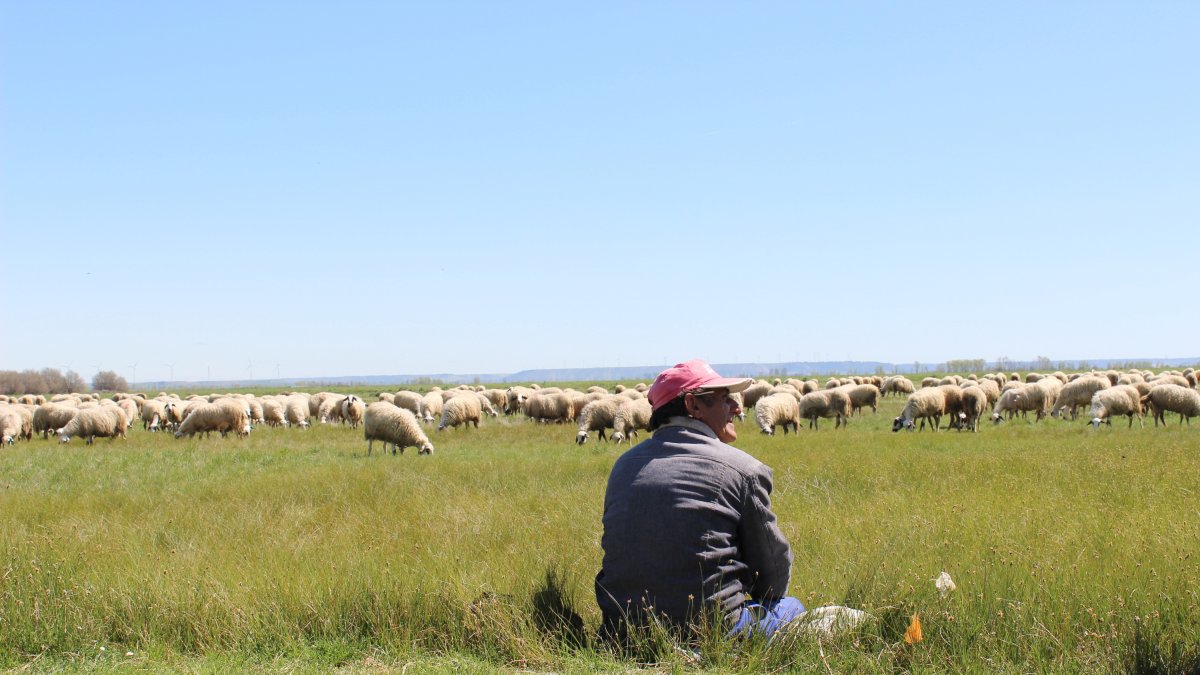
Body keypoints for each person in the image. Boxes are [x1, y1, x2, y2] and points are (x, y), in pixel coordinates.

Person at [594, 359, 805, 645]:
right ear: (693, 405)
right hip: (710, 630)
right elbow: (772, 577)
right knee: (790, 608)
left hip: (623, 629)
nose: (738, 407)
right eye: (725, 399)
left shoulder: (623, 466)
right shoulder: (744, 470)